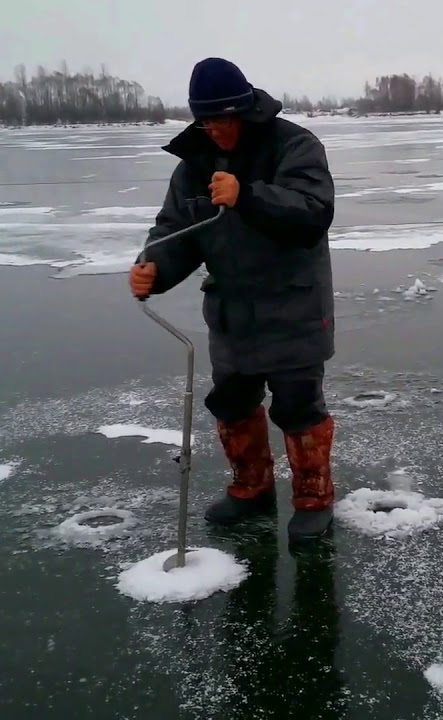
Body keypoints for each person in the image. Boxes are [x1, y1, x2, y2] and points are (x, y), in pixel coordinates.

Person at [129, 57, 337, 542]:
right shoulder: (194, 165)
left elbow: (312, 212)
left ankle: (313, 498)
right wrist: (153, 267)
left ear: (245, 110)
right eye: (206, 120)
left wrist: (247, 194)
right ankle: (252, 487)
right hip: (232, 309)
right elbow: (176, 229)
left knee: (299, 405)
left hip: (294, 305)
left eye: (224, 118)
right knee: (232, 401)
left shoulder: (295, 145)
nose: (216, 130)